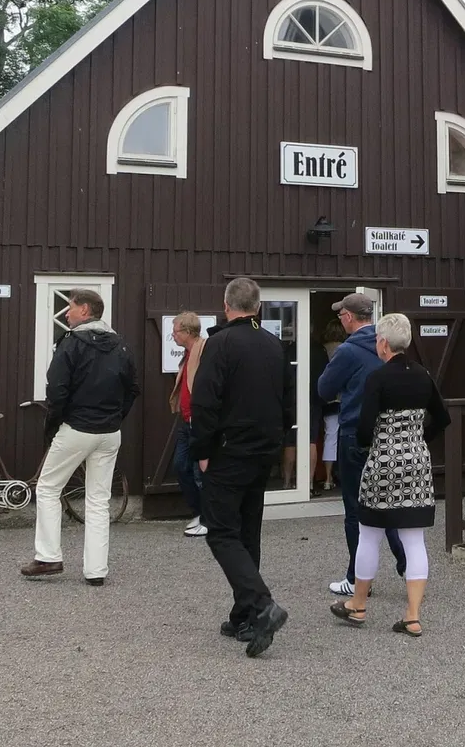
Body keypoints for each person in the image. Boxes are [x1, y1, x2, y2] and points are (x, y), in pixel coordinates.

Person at [189, 277, 292, 657]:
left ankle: (262, 605)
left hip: (229, 450)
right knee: (248, 531)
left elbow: (205, 402)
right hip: (263, 449)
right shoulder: (273, 343)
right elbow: (286, 398)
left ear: (226, 305)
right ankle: (244, 615)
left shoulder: (220, 343)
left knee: (220, 531)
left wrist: (202, 449)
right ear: (259, 307)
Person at [330, 313, 450, 635]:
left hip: (384, 461)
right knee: (414, 539)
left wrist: (372, 441)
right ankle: (412, 615)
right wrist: (419, 438)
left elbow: (365, 428)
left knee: (369, 533)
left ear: (383, 343)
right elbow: (442, 418)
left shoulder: (378, 379)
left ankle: (358, 604)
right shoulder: (423, 376)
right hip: (416, 461)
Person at [21, 288, 139, 586]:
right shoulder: (121, 345)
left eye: (70, 308)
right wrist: (115, 418)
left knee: (48, 488)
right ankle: (96, 571)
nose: (67, 313)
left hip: (77, 428)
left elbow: (56, 389)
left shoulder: (71, 344)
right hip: (110, 432)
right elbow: (132, 389)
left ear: (85, 310)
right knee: (99, 499)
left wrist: (56, 424)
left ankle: (48, 557)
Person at [317, 292, 406, 596]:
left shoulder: (347, 351)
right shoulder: (388, 347)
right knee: (389, 505)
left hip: (355, 433)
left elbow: (323, 388)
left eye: (341, 314)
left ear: (350, 318)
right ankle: (408, 567)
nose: (340, 319)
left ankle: (357, 580)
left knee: (356, 511)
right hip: (388, 434)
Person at [168, 311, 208, 537]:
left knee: (199, 471)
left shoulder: (203, 351)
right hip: (186, 420)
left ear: (187, 331)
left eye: (175, 331)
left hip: (198, 420)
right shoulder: (187, 353)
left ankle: (208, 518)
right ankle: (199, 512)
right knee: (181, 467)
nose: (173, 335)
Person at [312, 318, 345, 494]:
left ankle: (327, 478)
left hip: (329, 399)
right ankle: (343, 475)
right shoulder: (346, 348)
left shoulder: (323, 349)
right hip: (345, 398)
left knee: (330, 438)